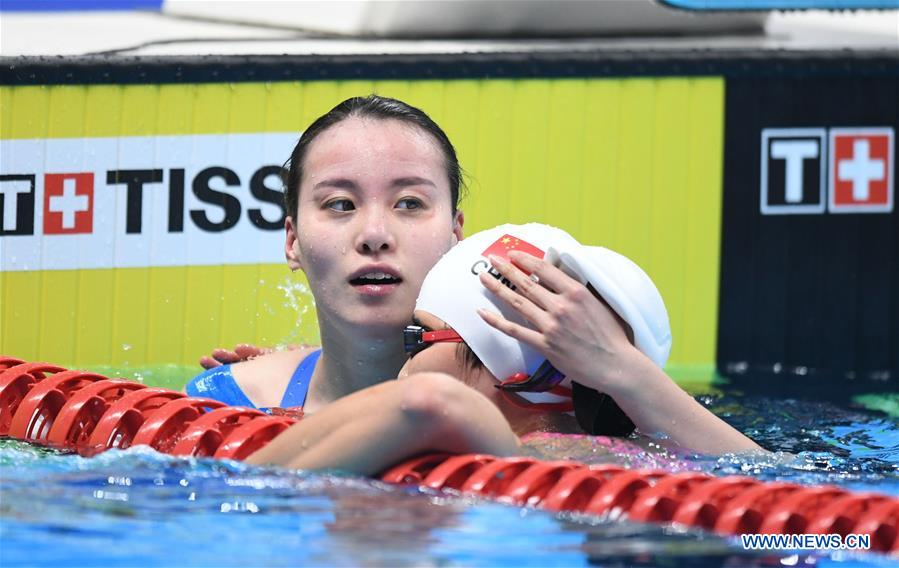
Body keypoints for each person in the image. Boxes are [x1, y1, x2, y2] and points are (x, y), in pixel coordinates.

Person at [247, 224, 761, 475]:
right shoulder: (637, 459)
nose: (402, 358)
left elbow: (431, 401)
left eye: (414, 337)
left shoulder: (467, 419)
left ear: (514, 376)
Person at [185, 95, 465, 413]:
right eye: (340, 204)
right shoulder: (220, 406)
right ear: (293, 241)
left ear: (456, 237)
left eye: (409, 203)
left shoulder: (523, 404)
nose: (374, 235)